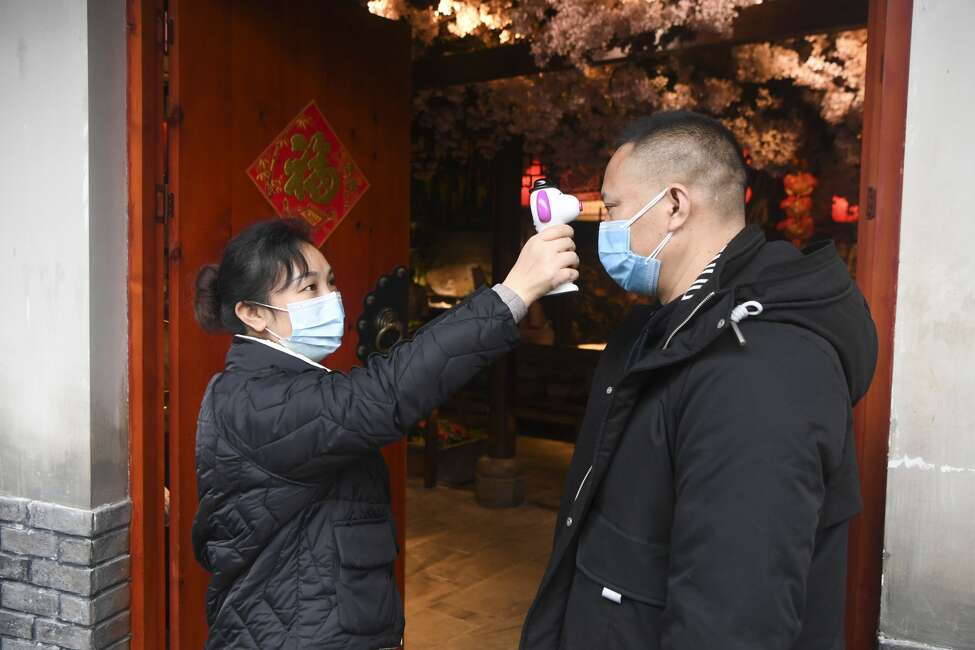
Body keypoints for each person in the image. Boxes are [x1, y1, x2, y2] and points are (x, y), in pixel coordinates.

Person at [519, 111, 878, 649]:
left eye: (613, 208)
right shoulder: (668, 324)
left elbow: (734, 619)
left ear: (674, 206)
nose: (603, 227)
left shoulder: (761, 368)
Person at [191, 218, 578, 649]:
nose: (331, 298)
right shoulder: (258, 399)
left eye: (330, 282)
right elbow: (384, 393)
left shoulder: (275, 384)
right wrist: (513, 294)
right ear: (253, 313)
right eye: (309, 289)